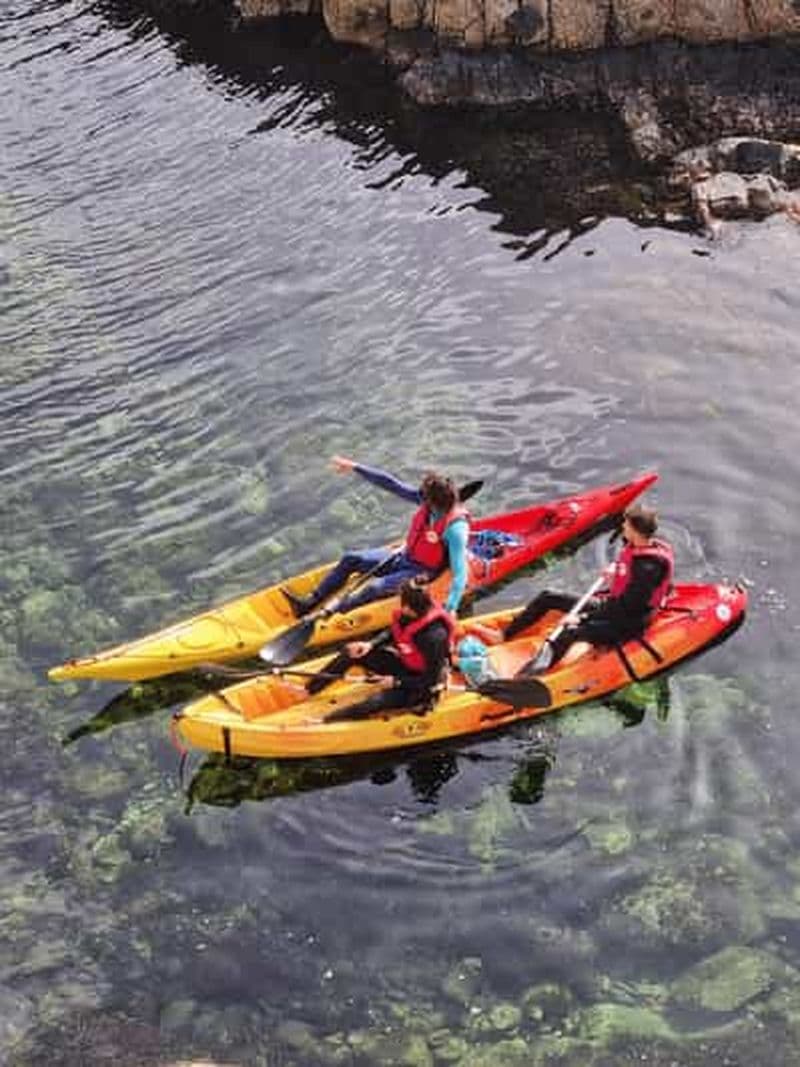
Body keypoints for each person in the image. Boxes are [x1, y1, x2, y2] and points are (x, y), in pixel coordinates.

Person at [459, 504, 673, 675]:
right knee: (549, 596)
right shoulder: (639, 547)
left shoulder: (648, 568)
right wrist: (618, 570)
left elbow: (627, 607)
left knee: (569, 632)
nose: (623, 528)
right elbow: (631, 584)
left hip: (627, 622)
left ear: (635, 530)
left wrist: (582, 618)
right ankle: (504, 634)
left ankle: (529, 677)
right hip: (613, 605)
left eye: (626, 525)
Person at [283, 455, 470, 618]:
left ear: (434, 502)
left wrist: (451, 606)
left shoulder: (456, 529)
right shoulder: (427, 500)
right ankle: (309, 602)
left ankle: (332, 612)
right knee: (351, 559)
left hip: (422, 571)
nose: (419, 497)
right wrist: (355, 467)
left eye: (425, 497)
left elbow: (460, 572)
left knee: (374, 588)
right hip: (403, 556)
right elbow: (391, 484)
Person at [306, 579, 455, 720]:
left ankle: (325, 720)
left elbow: (431, 680)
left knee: (374, 702)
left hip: (424, 685)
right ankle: (309, 689)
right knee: (351, 652)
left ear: (407, 607)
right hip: (405, 666)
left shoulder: (434, 636)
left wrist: (397, 682)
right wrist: (370, 644)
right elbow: (394, 631)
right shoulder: (410, 614)